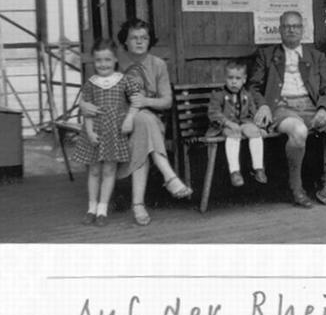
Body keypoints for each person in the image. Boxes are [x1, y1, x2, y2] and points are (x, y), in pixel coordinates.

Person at [80, 18, 192, 227]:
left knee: (143, 120)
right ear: (125, 41)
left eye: (144, 38)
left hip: (150, 122)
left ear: (150, 41)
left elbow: (167, 101)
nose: (140, 42)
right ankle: (158, 186)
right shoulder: (115, 62)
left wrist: (146, 101)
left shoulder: (158, 65)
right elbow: (93, 90)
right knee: (141, 125)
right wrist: (83, 106)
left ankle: (143, 200)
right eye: (134, 38)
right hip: (119, 126)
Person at [249, 11, 326, 208]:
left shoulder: (316, 56)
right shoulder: (266, 55)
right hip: (282, 107)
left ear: (302, 30)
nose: (292, 30)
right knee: (298, 132)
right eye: (287, 26)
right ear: (280, 29)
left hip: (312, 106)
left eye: (296, 26)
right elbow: (254, 87)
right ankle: (296, 187)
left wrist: (324, 110)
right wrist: (263, 105)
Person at [72, 39, 141, 226]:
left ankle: (102, 210)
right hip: (94, 133)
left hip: (114, 133)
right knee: (94, 171)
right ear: (94, 62)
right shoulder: (91, 83)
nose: (103, 64)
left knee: (109, 170)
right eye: (99, 60)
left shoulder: (124, 80)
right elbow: (87, 111)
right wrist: (89, 132)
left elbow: (137, 101)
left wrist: (129, 119)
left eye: (107, 60)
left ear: (115, 60)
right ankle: (91, 208)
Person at [206, 59, 268, 187]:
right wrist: (228, 123)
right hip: (223, 126)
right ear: (225, 78)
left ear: (244, 79)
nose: (234, 81)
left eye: (238, 78)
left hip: (243, 123)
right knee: (233, 133)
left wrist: (259, 126)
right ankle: (234, 171)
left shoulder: (247, 94)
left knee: (254, 133)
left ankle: (258, 168)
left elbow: (253, 112)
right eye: (230, 78)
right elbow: (214, 113)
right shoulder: (218, 95)